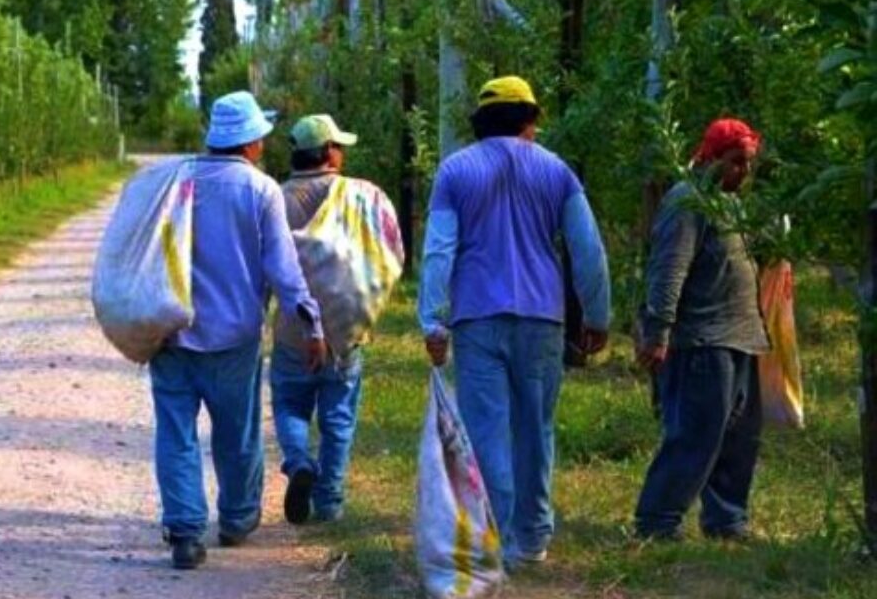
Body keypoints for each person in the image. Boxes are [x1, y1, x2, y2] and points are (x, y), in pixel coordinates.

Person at [418, 76, 611, 567]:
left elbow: (440, 248)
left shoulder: (455, 171)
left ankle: (499, 536)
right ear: (530, 120)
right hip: (543, 319)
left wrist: (432, 320)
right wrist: (597, 313)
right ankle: (533, 536)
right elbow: (587, 249)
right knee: (536, 427)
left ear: (481, 123)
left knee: (487, 429)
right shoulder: (557, 172)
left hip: (477, 318)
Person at [149, 91, 327, 570]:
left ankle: (185, 532)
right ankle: (236, 518)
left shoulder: (178, 180)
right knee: (237, 432)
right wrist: (311, 324)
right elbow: (284, 270)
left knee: (175, 433)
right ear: (249, 141)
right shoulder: (260, 190)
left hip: (169, 332)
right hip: (233, 339)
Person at [634, 117, 768, 542]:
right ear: (710, 158)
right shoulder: (687, 202)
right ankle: (656, 521)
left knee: (738, 439)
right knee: (695, 436)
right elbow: (669, 270)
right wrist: (658, 332)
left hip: (740, 337)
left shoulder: (731, 205)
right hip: (701, 340)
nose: (742, 172)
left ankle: (726, 519)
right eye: (735, 162)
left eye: (748, 163)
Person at [270, 114, 403, 525]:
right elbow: (392, 251)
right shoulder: (363, 195)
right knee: (338, 417)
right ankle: (329, 503)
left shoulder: (275, 199)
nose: (342, 153)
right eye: (339, 146)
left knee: (290, 405)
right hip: (346, 330)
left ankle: (297, 462)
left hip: (294, 329)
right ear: (328, 151)